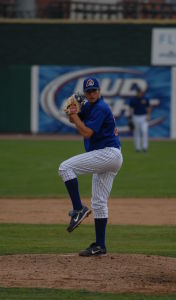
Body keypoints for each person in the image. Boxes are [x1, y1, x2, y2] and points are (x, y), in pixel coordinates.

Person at [58, 77, 123, 257]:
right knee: (99, 202)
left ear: (99, 90)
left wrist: (75, 117)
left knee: (65, 168)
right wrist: (72, 114)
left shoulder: (101, 108)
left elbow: (86, 132)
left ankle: (78, 209)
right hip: (111, 156)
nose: (92, 94)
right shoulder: (90, 107)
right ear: (85, 93)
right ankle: (100, 246)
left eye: (94, 90)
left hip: (108, 153)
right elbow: (75, 120)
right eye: (89, 91)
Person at [129, 85, 151, 152]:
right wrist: (131, 118)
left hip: (144, 117)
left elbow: (148, 108)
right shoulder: (133, 100)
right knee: (136, 132)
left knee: (144, 131)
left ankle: (145, 147)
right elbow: (131, 109)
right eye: (139, 92)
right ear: (137, 93)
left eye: (141, 92)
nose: (140, 93)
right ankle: (138, 148)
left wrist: (148, 115)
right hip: (136, 117)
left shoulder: (145, 99)